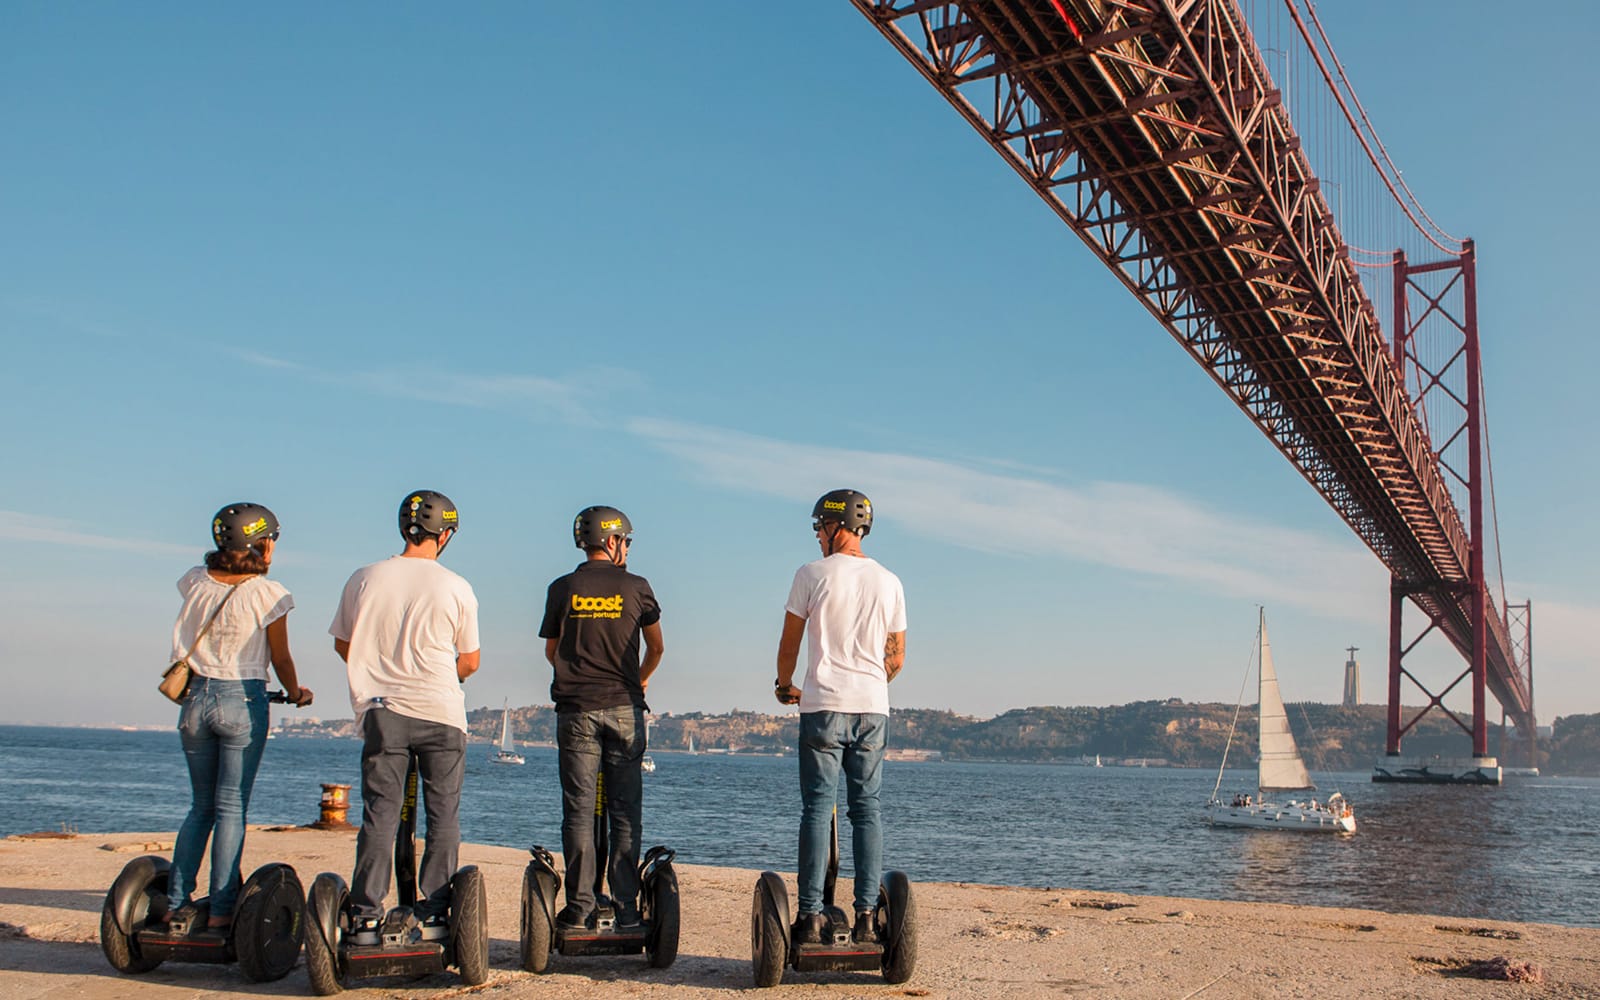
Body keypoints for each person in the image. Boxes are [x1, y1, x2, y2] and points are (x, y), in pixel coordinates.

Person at [329, 490, 480, 941]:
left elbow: (344, 644)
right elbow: (469, 662)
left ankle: (366, 915)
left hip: (384, 712)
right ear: (446, 534)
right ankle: (433, 915)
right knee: (442, 816)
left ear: (403, 528)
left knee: (381, 814)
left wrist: (382, 671)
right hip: (440, 713)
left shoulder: (365, 577)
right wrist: (437, 676)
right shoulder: (456, 586)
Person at [168, 502, 313, 928]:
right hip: (241, 700)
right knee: (231, 806)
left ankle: (176, 902)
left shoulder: (195, 581)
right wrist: (295, 692)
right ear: (262, 543)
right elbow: (280, 657)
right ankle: (221, 908)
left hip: (194, 699)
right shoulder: (268, 593)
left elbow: (201, 582)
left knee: (201, 807)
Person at [774, 488, 906, 945]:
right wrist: (868, 682)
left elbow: (790, 642)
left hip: (823, 706)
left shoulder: (811, 574)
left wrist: (784, 684)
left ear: (837, 526)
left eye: (818, 528)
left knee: (816, 809)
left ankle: (810, 916)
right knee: (866, 810)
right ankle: (868, 916)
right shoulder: (890, 581)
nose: (816, 537)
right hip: (872, 707)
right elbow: (898, 657)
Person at [539, 505, 664, 932]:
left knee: (578, 810)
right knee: (625, 811)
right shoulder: (638, 587)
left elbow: (552, 653)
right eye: (626, 540)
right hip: (624, 708)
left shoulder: (562, 588)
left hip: (576, 708)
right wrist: (639, 680)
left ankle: (579, 906)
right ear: (612, 541)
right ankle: (626, 906)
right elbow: (657, 648)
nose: (626, 548)